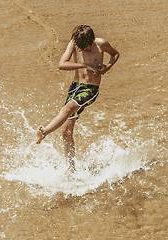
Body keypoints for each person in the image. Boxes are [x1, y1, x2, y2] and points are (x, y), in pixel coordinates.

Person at [36, 24, 120, 168]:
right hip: (75, 88)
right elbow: (62, 64)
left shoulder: (101, 44)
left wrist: (107, 67)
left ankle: (44, 132)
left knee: (68, 108)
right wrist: (84, 66)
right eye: (80, 48)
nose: (83, 50)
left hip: (90, 89)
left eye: (86, 47)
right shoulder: (74, 42)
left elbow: (115, 54)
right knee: (66, 132)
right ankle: (71, 169)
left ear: (92, 40)